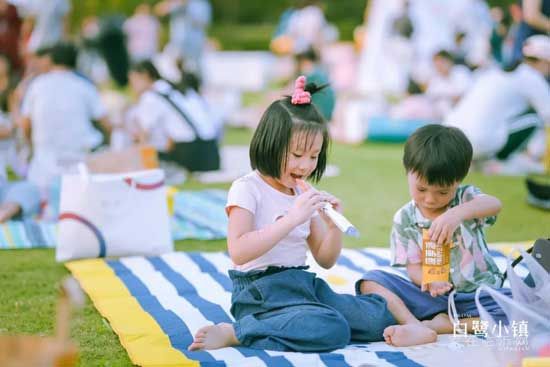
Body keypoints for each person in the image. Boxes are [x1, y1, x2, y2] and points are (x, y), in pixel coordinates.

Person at [187, 76, 437, 352]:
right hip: (260, 292)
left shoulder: (301, 193)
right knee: (331, 328)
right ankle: (238, 331)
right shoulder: (247, 188)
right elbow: (239, 250)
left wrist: (332, 227)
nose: (305, 165)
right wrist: (292, 218)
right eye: (297, 154)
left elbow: (325, 259)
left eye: (314, 156)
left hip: (302, 285)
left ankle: (423, 321)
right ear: (270, 144)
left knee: (375, 317)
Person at [356, 124, 512, 347]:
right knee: (371, 281)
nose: (430, 199)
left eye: (442, 192)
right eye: (421, 189)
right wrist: (430, 281)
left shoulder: (466, 198)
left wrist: (457, 214)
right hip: (433, 298)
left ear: (459, 179)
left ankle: (446, 325)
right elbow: (413, 267)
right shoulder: (405, 218)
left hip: (478, 295)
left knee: (522, 313)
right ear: (407, 171)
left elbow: (494, 204)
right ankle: (415, 326)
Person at [444, 35, 550, 171]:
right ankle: (500, 163)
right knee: (535, 119)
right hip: (478, 143)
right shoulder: (532, 77)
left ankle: (478, 161)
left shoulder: (495, 71)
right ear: (544, 61)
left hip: (448, 139)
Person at [19, 42, 110, 196]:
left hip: (43, 170)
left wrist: (31, 147)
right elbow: (106, 123)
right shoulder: (84, 86)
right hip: (79, 168)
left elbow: (25, 124)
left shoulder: (36, 86)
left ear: (51, 60)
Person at [127, 60, 220, 172]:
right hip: (212, 153)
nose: (132, 87)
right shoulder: (178, 89)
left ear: (145, 76)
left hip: (191, 153)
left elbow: (144, 136)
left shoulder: (150, 97)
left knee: (146, 149)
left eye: (132, 81)